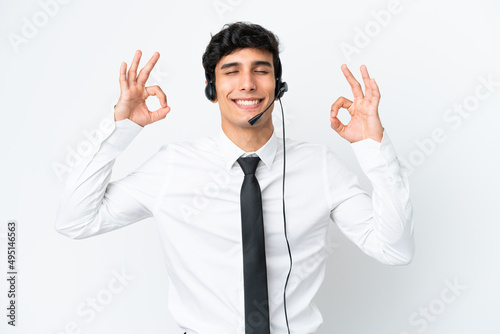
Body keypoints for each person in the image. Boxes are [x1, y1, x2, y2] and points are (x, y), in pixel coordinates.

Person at [55, 22, 414, 333]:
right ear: (212, 90)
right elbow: (75, 220)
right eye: (231, 71)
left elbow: (394, 249)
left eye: (261, 70)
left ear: (279, 85)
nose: (247, 84)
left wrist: (373, 148)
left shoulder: (319, 166)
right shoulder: (172, 167)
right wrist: (120, 128)